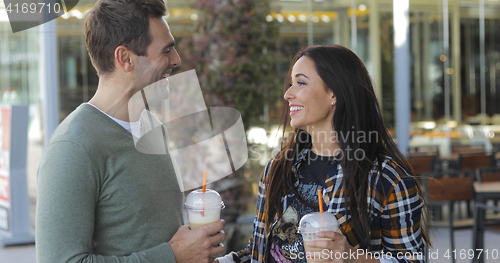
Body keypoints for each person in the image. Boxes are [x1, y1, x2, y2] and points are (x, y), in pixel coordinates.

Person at [35, 0, 225, 262]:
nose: (177, 59)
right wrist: (173, 255)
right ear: (125, 58)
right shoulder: (73, 147)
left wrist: (194, 249)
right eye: (166, 50)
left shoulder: (153, 129)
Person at [216, 45, 430, 263]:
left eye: (301, 83)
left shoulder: (386, 178)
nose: (288, 94)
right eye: (291, 84)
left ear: (334, 93)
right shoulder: (278, 169)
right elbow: (259, 253)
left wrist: (352, 258)